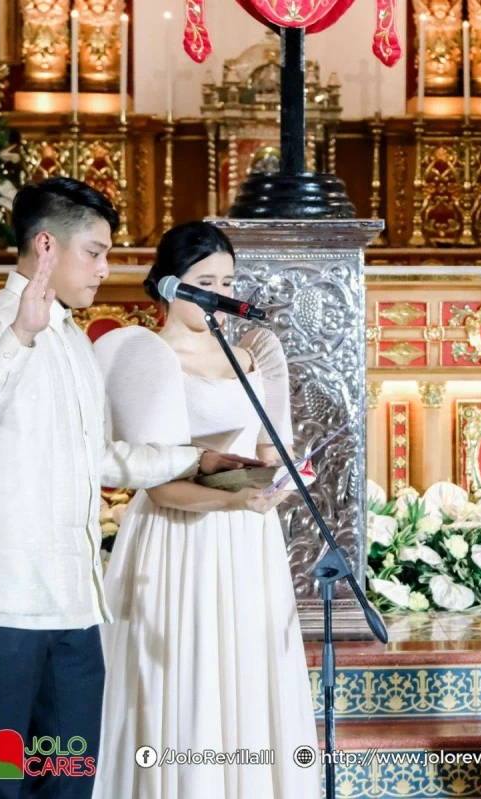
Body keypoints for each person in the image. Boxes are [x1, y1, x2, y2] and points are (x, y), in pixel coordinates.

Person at [0, 179, 260, 798]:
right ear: (46, 247)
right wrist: (19, 337)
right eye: (95, 252)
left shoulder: (72, 339)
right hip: (0, 603)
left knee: (69, 783)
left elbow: (100, 458)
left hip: (73, 605)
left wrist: (196, 459)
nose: (106, 269)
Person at [91, 222, 318, 798]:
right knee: (187, 677)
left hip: (248, 543)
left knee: (246, 674)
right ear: (170, 284)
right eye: (204, 281)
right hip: (181, 539)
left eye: (227, 282)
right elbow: (161, 487)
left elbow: (271, 449)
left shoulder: (250, 353)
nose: (219, 294)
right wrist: (235, 500)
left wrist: (281, 479)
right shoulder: (148, 356)